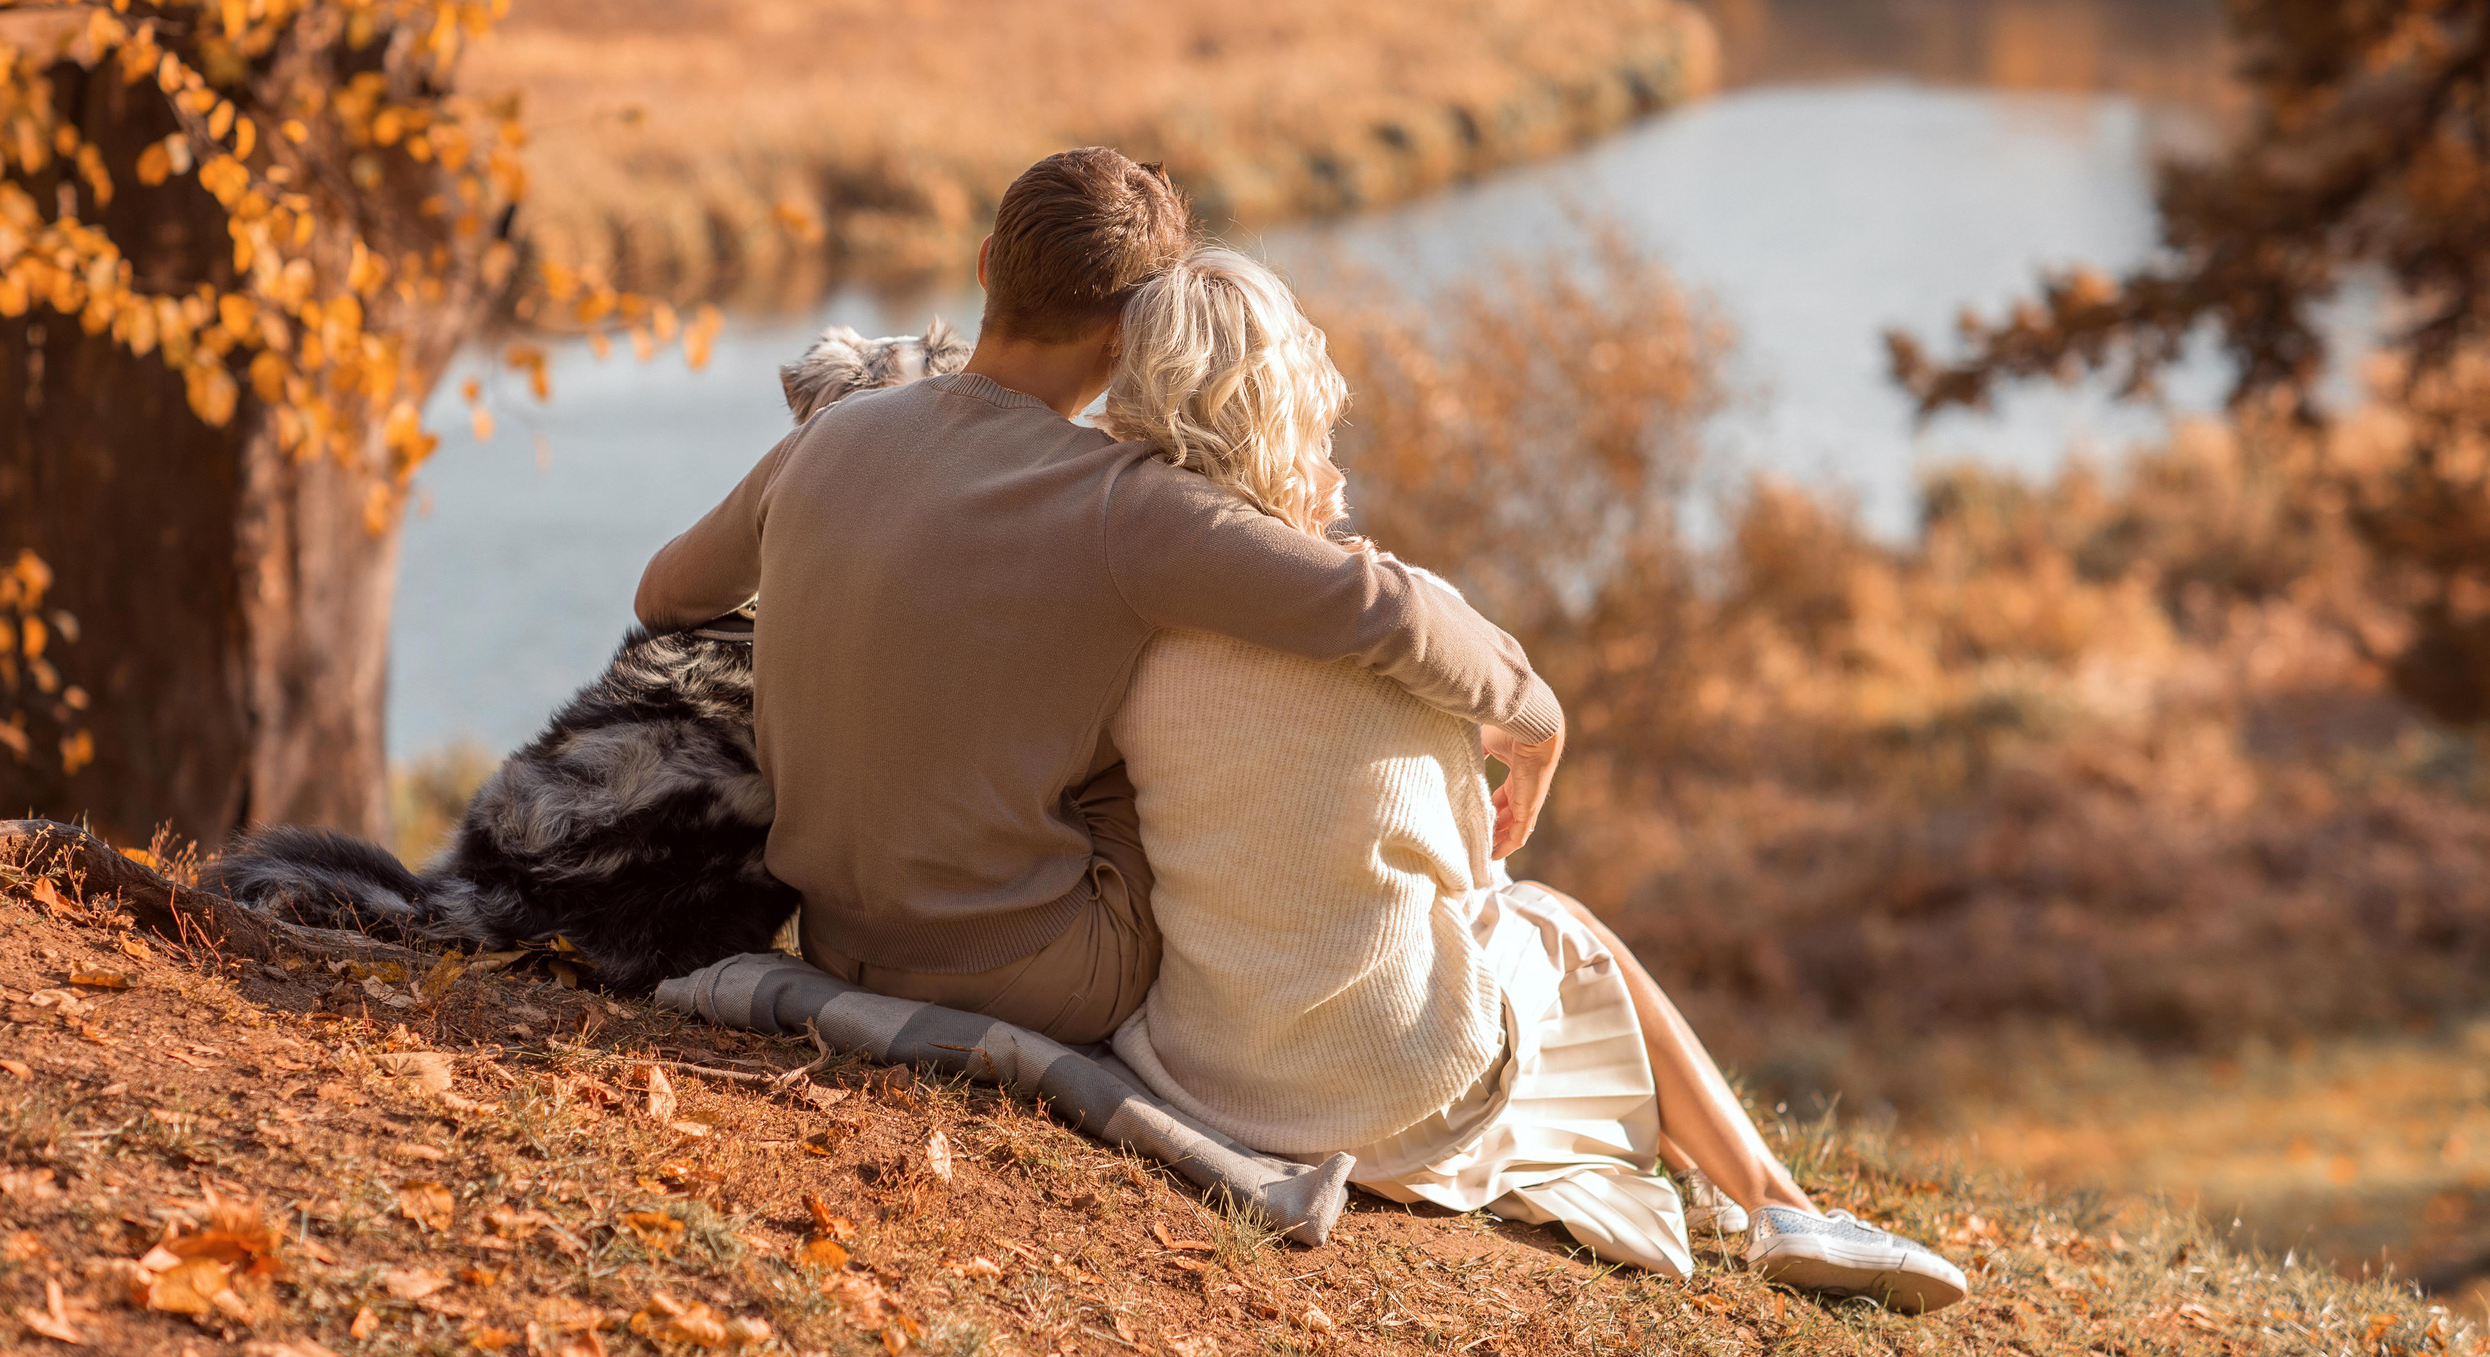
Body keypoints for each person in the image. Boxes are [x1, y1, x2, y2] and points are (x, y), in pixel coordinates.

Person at [1097, 246, 1969, 1312]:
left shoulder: (1127, 633)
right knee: (1555, 921)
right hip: (1387, 1095)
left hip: (1209, 1076)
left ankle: (1733, 1188)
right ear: (1297, 410)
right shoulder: (1410, 618)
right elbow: (1473, 869)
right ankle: (1775, 1202)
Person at [632, 149, 1566, 1047]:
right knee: (1162, 668)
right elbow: (1390, 611)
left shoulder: (829, 436)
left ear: (989, 262)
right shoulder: (1126, 503)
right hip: (1040, 972)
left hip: (835, 938)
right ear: (1134, 331)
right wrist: (1534, 714)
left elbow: (664, 594)